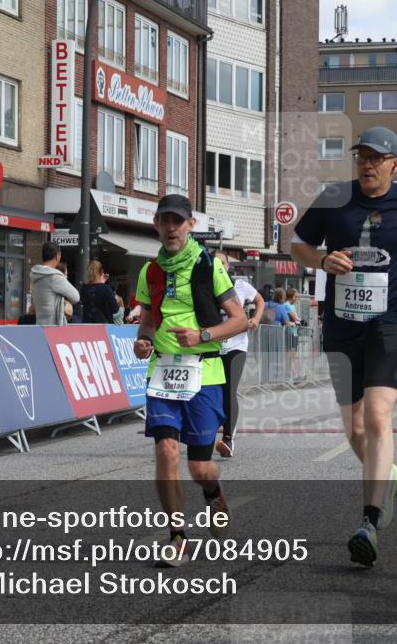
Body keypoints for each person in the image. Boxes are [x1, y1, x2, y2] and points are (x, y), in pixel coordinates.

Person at [290, 125, 397, 567]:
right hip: (341, 327)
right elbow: (298, 243)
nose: (367, 163)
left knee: (379, 417)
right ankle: (388, 474)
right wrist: (321, 259)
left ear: (394, 165)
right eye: (362, 155)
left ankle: (369, 521)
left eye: (377, 157)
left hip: (390, 323)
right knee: (354, 430)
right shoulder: (333, 198)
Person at [132, 195, 246, 565]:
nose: (170, 227)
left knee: (199, 468)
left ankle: (214, 492)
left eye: (177, 221)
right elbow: (147, 321)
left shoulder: (209, 265)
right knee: (165, 451)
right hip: (163, 373)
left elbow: (239, 320)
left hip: (205, 373)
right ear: (156, 224)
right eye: (164, 220)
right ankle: (177, 537)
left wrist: (204, 336)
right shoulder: (150, 271)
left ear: (190, 225)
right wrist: (143, 341)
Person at [213, 251, 265, 458]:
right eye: (214, 263)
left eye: (222, 263)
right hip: (212, 346)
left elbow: (260, 301)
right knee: (212, 392)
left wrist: (256, 319)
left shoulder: (240, 286)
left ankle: (228, 439)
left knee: (228, 389)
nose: (218, 266)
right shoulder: (206, 288)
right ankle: (211, 429)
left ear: (227, 266)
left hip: (236, 345)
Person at [30, 242, 79, 327]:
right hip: (54, 328)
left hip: (39, 326)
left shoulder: (35, 275)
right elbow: (76, 297)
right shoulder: (54, 277)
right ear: (58, 256)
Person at [80, 259, 119, 324]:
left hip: (88, 327)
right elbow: (115, 309)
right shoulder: (106, 289)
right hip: (104, 327)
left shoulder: (84, 289)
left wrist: (102, 283)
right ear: (102, 272)